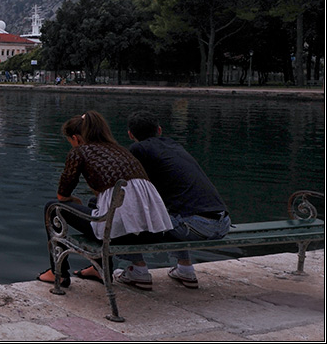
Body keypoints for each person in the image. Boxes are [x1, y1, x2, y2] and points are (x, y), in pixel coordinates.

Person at [38, 111, 172, 287]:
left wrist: (73, 201)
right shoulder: (120, 150)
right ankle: (99, 268)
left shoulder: (79, 152)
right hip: (153, 232)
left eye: (70, 141)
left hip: (120, 234)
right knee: (94, 205)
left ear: (76, 138)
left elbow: (62, 196)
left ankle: (59, 272)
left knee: (52, 208)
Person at [118, 110, 231, 289]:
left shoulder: (139, 149)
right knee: (173, 212)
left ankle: (137, 269)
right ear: (159, 130)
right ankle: (185, 269)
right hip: (223, 222)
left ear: (130, 134)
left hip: (194, 227)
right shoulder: (174, 146)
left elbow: (132, 189)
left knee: (126, 216)